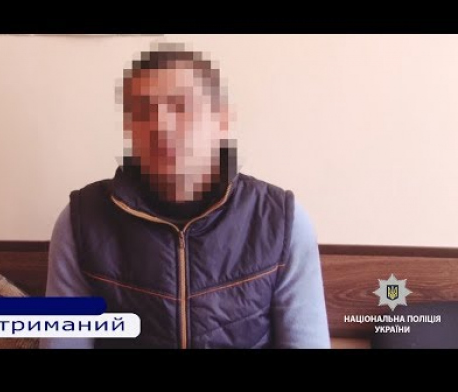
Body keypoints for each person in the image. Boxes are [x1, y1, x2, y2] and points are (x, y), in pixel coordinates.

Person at [40, 43, 330, 349]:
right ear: (129, 128)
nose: (161, 125)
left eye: (181, 107)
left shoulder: (281, 221)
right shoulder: (81, 220)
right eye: (144, 111)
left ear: (222, 121)